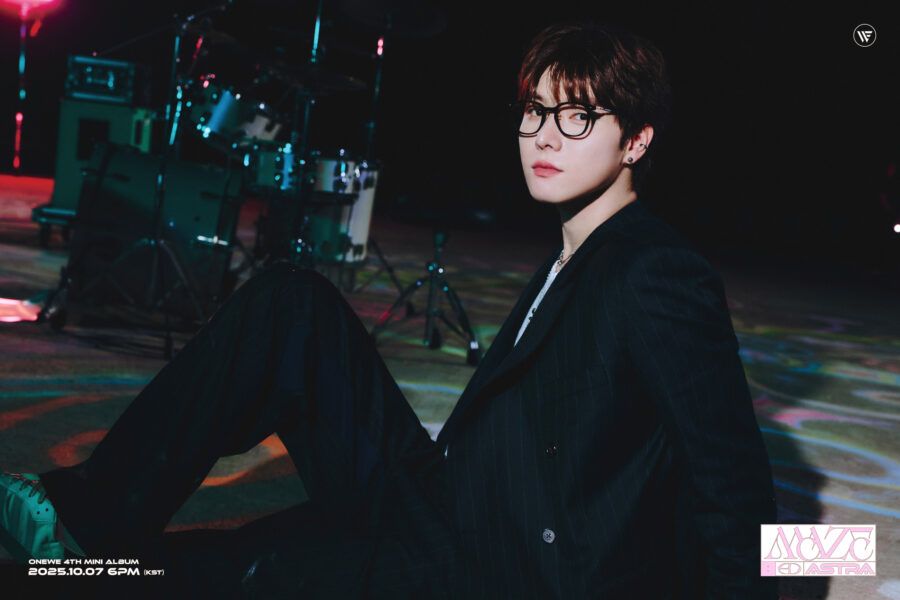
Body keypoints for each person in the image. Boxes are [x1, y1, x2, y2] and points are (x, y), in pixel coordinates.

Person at [0, 19, 778, 599]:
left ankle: (84, 551)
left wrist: (799, 567)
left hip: (496, 565)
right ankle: (86, 519)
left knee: (213, 568)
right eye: (535, 111)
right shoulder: (575, 253)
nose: (544, 136)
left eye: (577, 116)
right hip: (444, 499)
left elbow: (732, 483)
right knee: (291, 302)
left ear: (635, 141)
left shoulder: (655, 272)